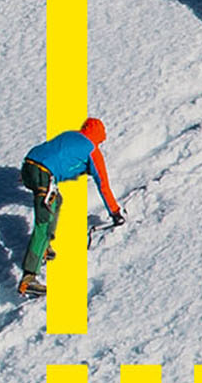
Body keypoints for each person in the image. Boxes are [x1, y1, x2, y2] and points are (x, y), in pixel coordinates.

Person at [17, 116, 124, 293]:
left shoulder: (71, 135)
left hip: (28, 165)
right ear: (99, 137)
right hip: (43, 173)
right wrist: (115, 212)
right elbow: (103, 184)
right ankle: (29, 278)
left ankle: (44, 247)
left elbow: (54, 154)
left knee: (56, 201)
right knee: (43, 224)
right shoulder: (92, 150)